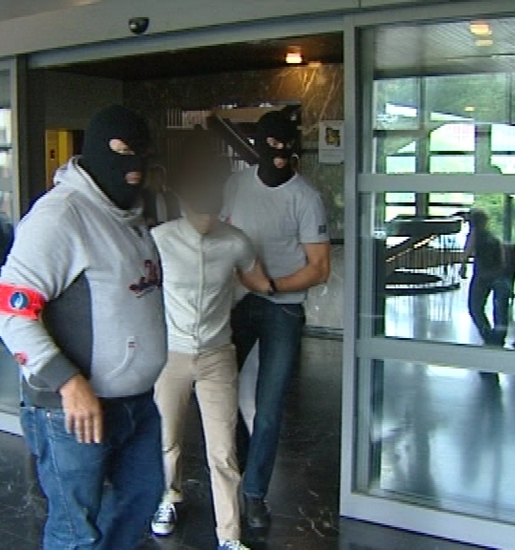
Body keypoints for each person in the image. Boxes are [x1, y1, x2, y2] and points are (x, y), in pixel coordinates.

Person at [0, 105, 167, 550]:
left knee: (140, 500)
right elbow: (7, 310)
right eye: (122, 151)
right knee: (75, 530)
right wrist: (67, 382)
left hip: (136, 402)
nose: (134, 165)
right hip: (72, 409)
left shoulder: (131, 214)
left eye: (142, 153)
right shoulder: (60, 216)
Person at [149, 133, 269, 550]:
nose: (205, 219)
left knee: (223, 450)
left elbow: (257, 281)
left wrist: (239, 293)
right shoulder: (160, 240)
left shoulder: (235, 241)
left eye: (211, 211)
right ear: (183, 201)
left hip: (218, 355)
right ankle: (169, 497)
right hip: (171, 356)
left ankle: (229, 536)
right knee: (167, 440)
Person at [222, 110, 331, 529]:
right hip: (237, 304)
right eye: (273, 146)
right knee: (220, 395)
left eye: (288, 146)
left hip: (282, 309)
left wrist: (269, 286)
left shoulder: (305, 198)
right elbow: (223, 236)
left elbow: (319, 268)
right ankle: (239, 468)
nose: (281, 154)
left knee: (268, 409)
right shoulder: (236, 185)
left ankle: (254, 494)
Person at [459, 208, 512, 346]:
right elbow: (503, 256)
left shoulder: (475, 234)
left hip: (482, 274)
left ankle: (488, 336)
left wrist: (463, 265)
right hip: (498, 274)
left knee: (475, 307)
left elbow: (468, 250)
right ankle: (498, 337)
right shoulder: (493, 235)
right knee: (500, 309)